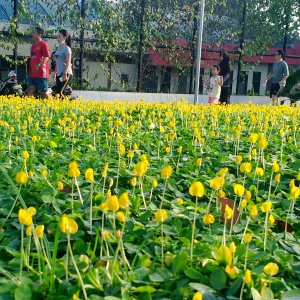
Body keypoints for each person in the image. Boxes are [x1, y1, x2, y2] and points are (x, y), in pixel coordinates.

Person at [26, 27, 50, 99]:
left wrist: (39, 64)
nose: (32, 34)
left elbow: (47, 57)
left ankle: (53, 104)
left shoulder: (44, 44)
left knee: (43, 92)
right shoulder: (33, 46)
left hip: (41, 74)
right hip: (32, 74)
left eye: (34, 32)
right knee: (29, 90)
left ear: (39, 34)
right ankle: (31, 106)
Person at [53, 29, 73, 96]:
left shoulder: (67, 49)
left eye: (59, 36)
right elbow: (57, 62)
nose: (57, 38)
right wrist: (55, 73)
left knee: (60, 92)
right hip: (59, 74)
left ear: (64, 37)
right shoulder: (58, 49)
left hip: (66, 73)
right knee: (57, 92)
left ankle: (66, 104)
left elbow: (68, 62)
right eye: (57, 36)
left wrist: (64, 73)